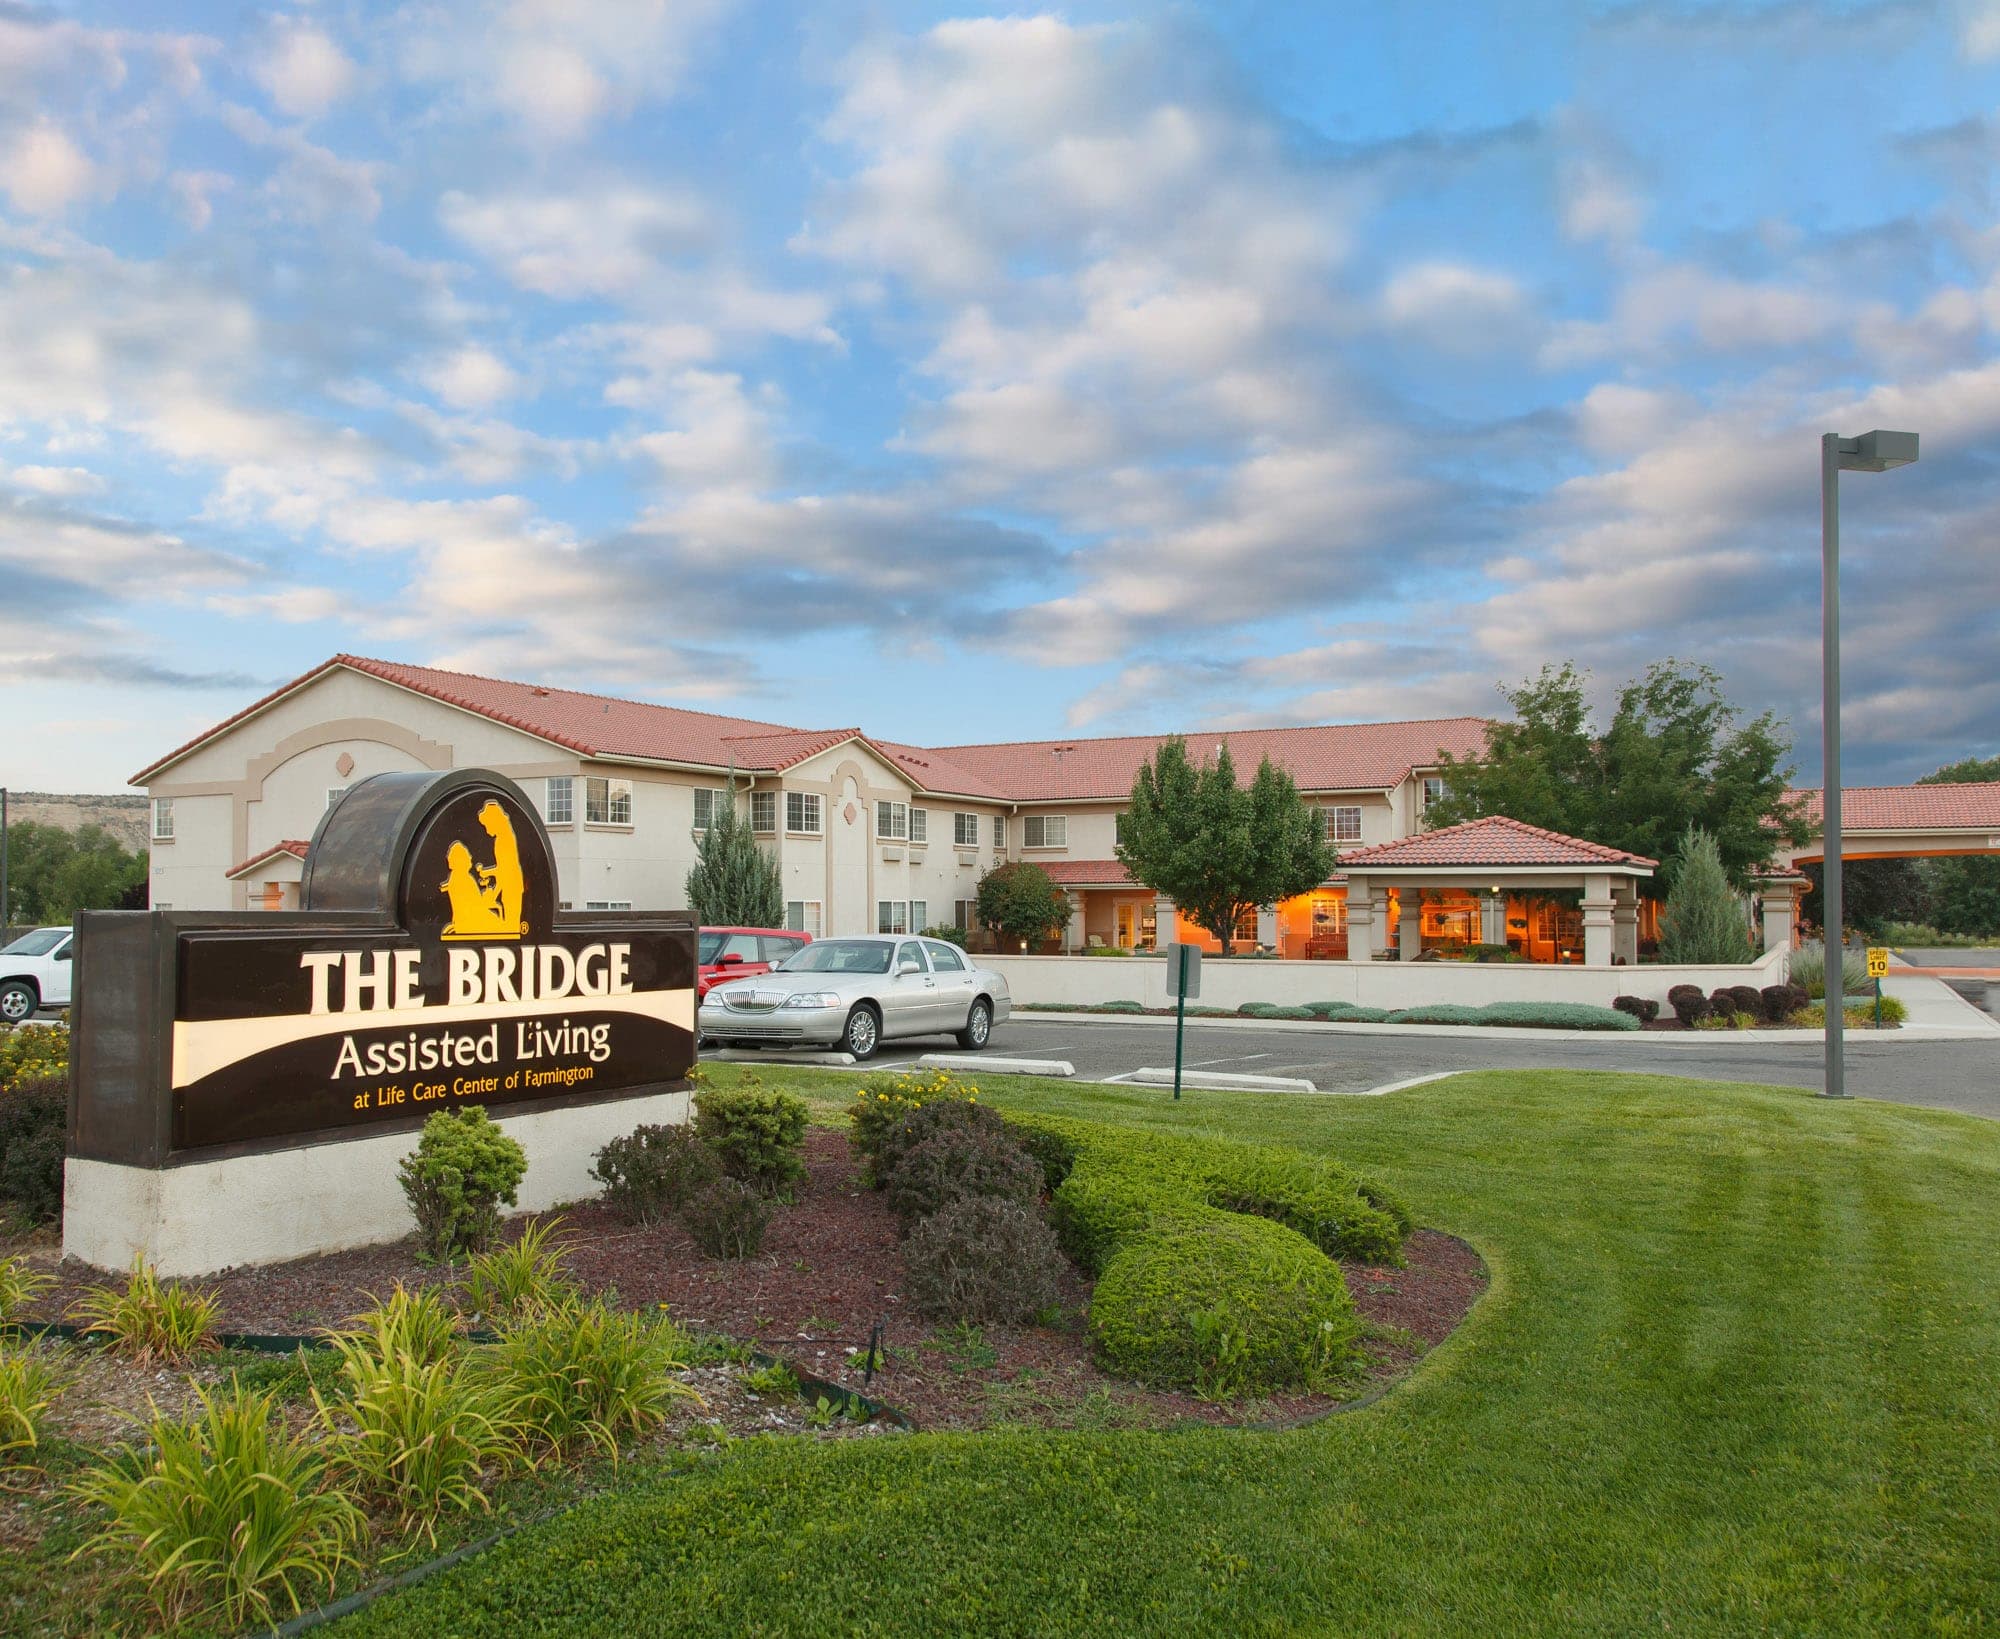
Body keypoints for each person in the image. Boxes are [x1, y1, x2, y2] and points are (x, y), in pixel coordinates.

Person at [476, 799, 526, 935]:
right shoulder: (506, 836)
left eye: (487, 825)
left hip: (512, 888)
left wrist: (494, 893)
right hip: (511, 886)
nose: (487, 830)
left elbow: (506, 871)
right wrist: (487, 873)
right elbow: (504, 869)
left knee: (511, 926)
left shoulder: (503, 840)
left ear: (494, 821)